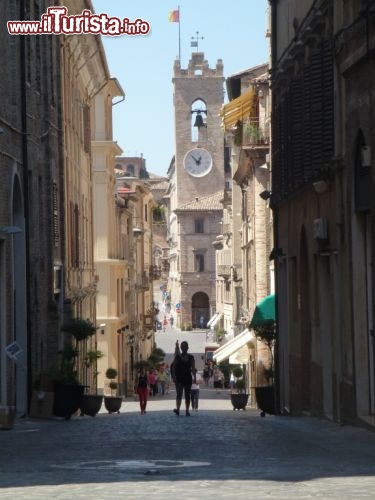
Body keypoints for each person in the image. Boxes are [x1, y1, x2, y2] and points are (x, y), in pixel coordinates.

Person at [171, 340, 196, 416]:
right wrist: (173, 377)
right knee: (179, 394)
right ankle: (178, 409)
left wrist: (194, 377)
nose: (184, 348)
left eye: (185, 346)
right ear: (181, 348)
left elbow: (193, 368)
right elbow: (173, 367)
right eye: (182, 346)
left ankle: (187, 410)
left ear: (188, 348)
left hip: (188, 378)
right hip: (179, 379)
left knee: (187, 395)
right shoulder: (178, 357)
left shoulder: (191, 357)